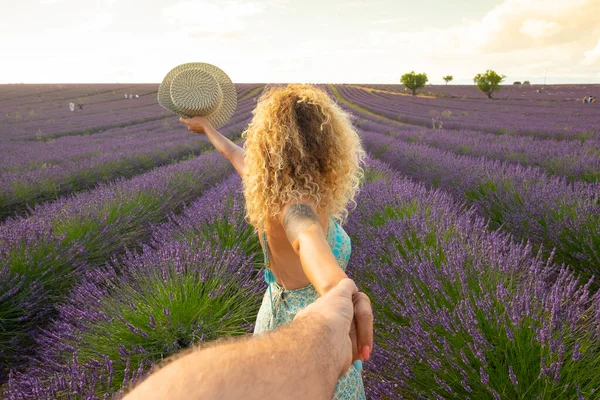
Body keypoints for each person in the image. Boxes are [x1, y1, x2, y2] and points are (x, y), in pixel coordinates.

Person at [180, 84, 370, 399]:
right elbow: (308, 240)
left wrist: (207, 129)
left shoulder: (268, 188)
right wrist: (338, 289)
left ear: (269, 145)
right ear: (327, 143)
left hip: (274, 315)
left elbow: (235, 154)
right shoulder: (296, 206)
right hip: (311, 328)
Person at [123, 278, 372, 400]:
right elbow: (322, 264)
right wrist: (342, 292)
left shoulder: (271, 198)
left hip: (280, 309)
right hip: (309, 315)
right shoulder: (299, 212)